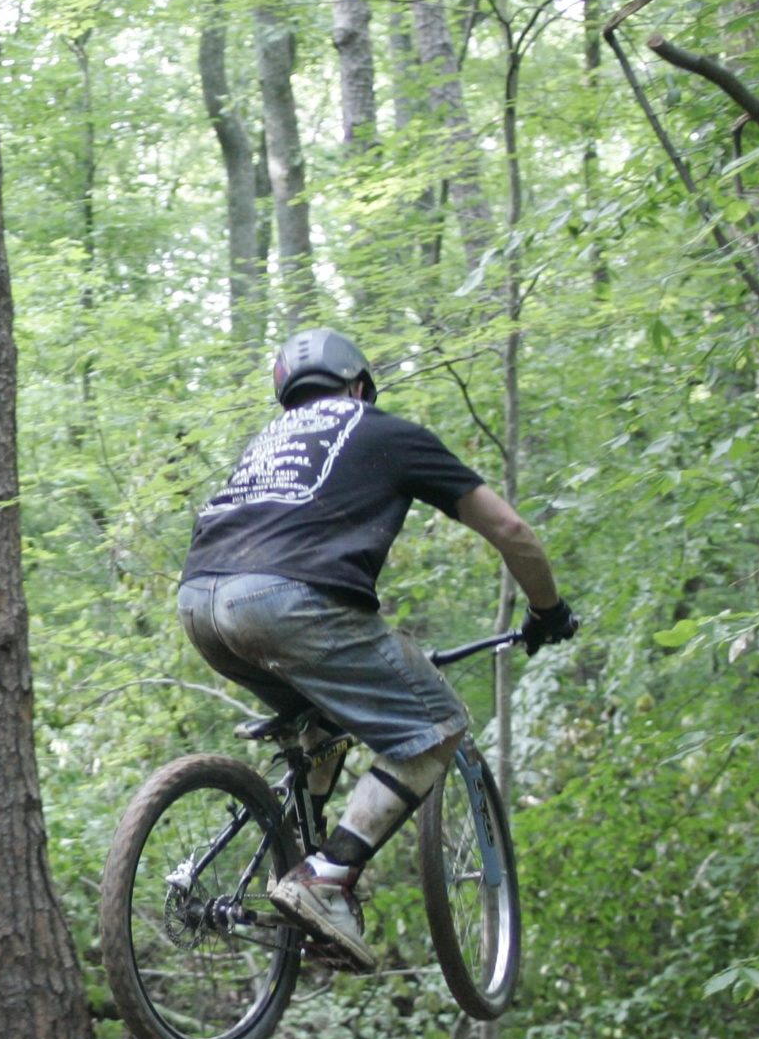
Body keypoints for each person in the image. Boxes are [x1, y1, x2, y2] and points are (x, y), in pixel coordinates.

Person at [177, 327, 577, 970]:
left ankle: (299, 827)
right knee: (433, 725)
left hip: (199, 605)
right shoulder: (388, 432)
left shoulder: (265, 446)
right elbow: (510, 529)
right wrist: (547, 610)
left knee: (324, 716)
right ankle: (326, 875)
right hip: (287, 604)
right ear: (360, 385)